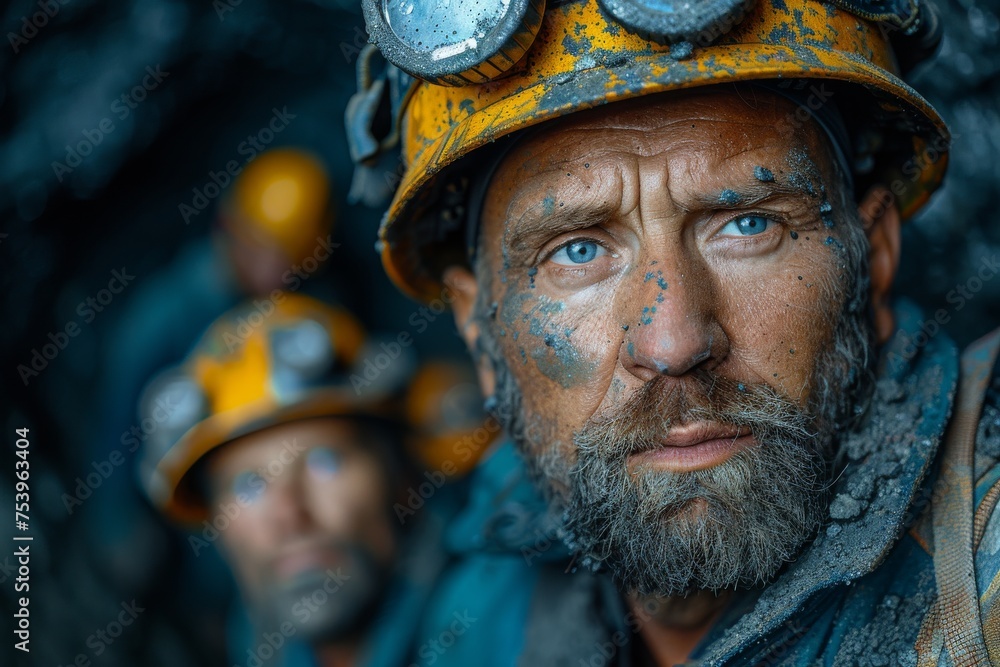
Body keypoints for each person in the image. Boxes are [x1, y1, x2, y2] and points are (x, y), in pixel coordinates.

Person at [349, 0, 1000, 663]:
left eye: (748, 225)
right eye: (577, 251)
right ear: (478, 328)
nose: (674, 344)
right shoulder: (478, 615)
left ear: (874, 256)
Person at [138, 294, 420, 667]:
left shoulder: (495, 622)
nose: (289, 515)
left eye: (326, 462)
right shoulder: (259, 644)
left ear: (400, 476)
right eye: (247, 485)